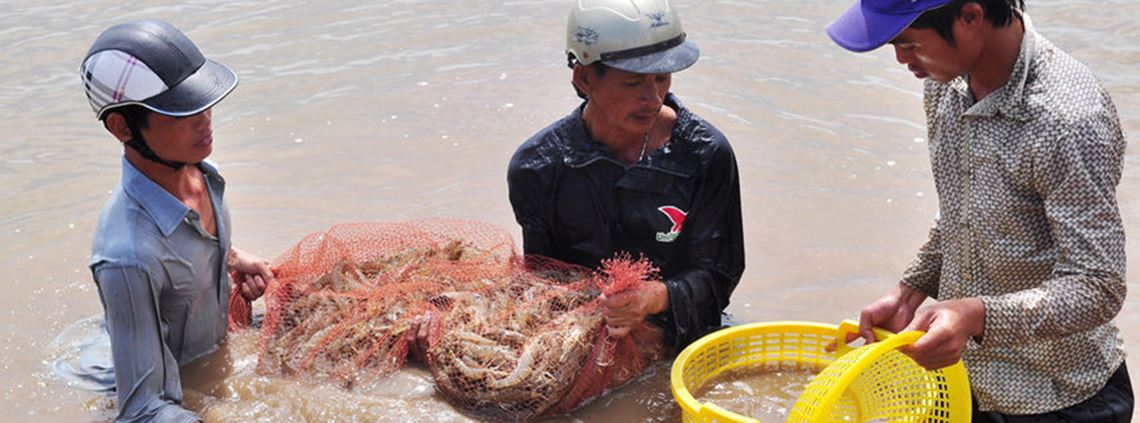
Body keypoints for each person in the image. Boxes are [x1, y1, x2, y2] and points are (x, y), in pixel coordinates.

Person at [826, 0, 1132, 421]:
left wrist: (977, 316)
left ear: (970, 16)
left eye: (908, 43)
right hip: (960, 384)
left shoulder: (1069, 118)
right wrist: (910, 290)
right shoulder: (943, 84)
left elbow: (1099, 285)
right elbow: (961, 210)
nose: (900, 59)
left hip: (1059, 395)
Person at [506, 0, 744, 350]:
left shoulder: (705, 154)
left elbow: (719, 277)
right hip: (583, 336)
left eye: (662, 77)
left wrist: (655, 298)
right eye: (633, 83)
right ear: (585, 78)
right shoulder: (537, 167)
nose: (653, 98)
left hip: (683, 336)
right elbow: (542, 281)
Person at [77, 19, 273, 422]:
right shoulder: (126, 256)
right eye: (183, 110)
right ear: (122, 127)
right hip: (130, 380)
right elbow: (142, 410)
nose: (205, 117)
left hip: (196, 349)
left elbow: (181, 243)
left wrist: (231, 259)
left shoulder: (202, 171)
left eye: (203, 101)